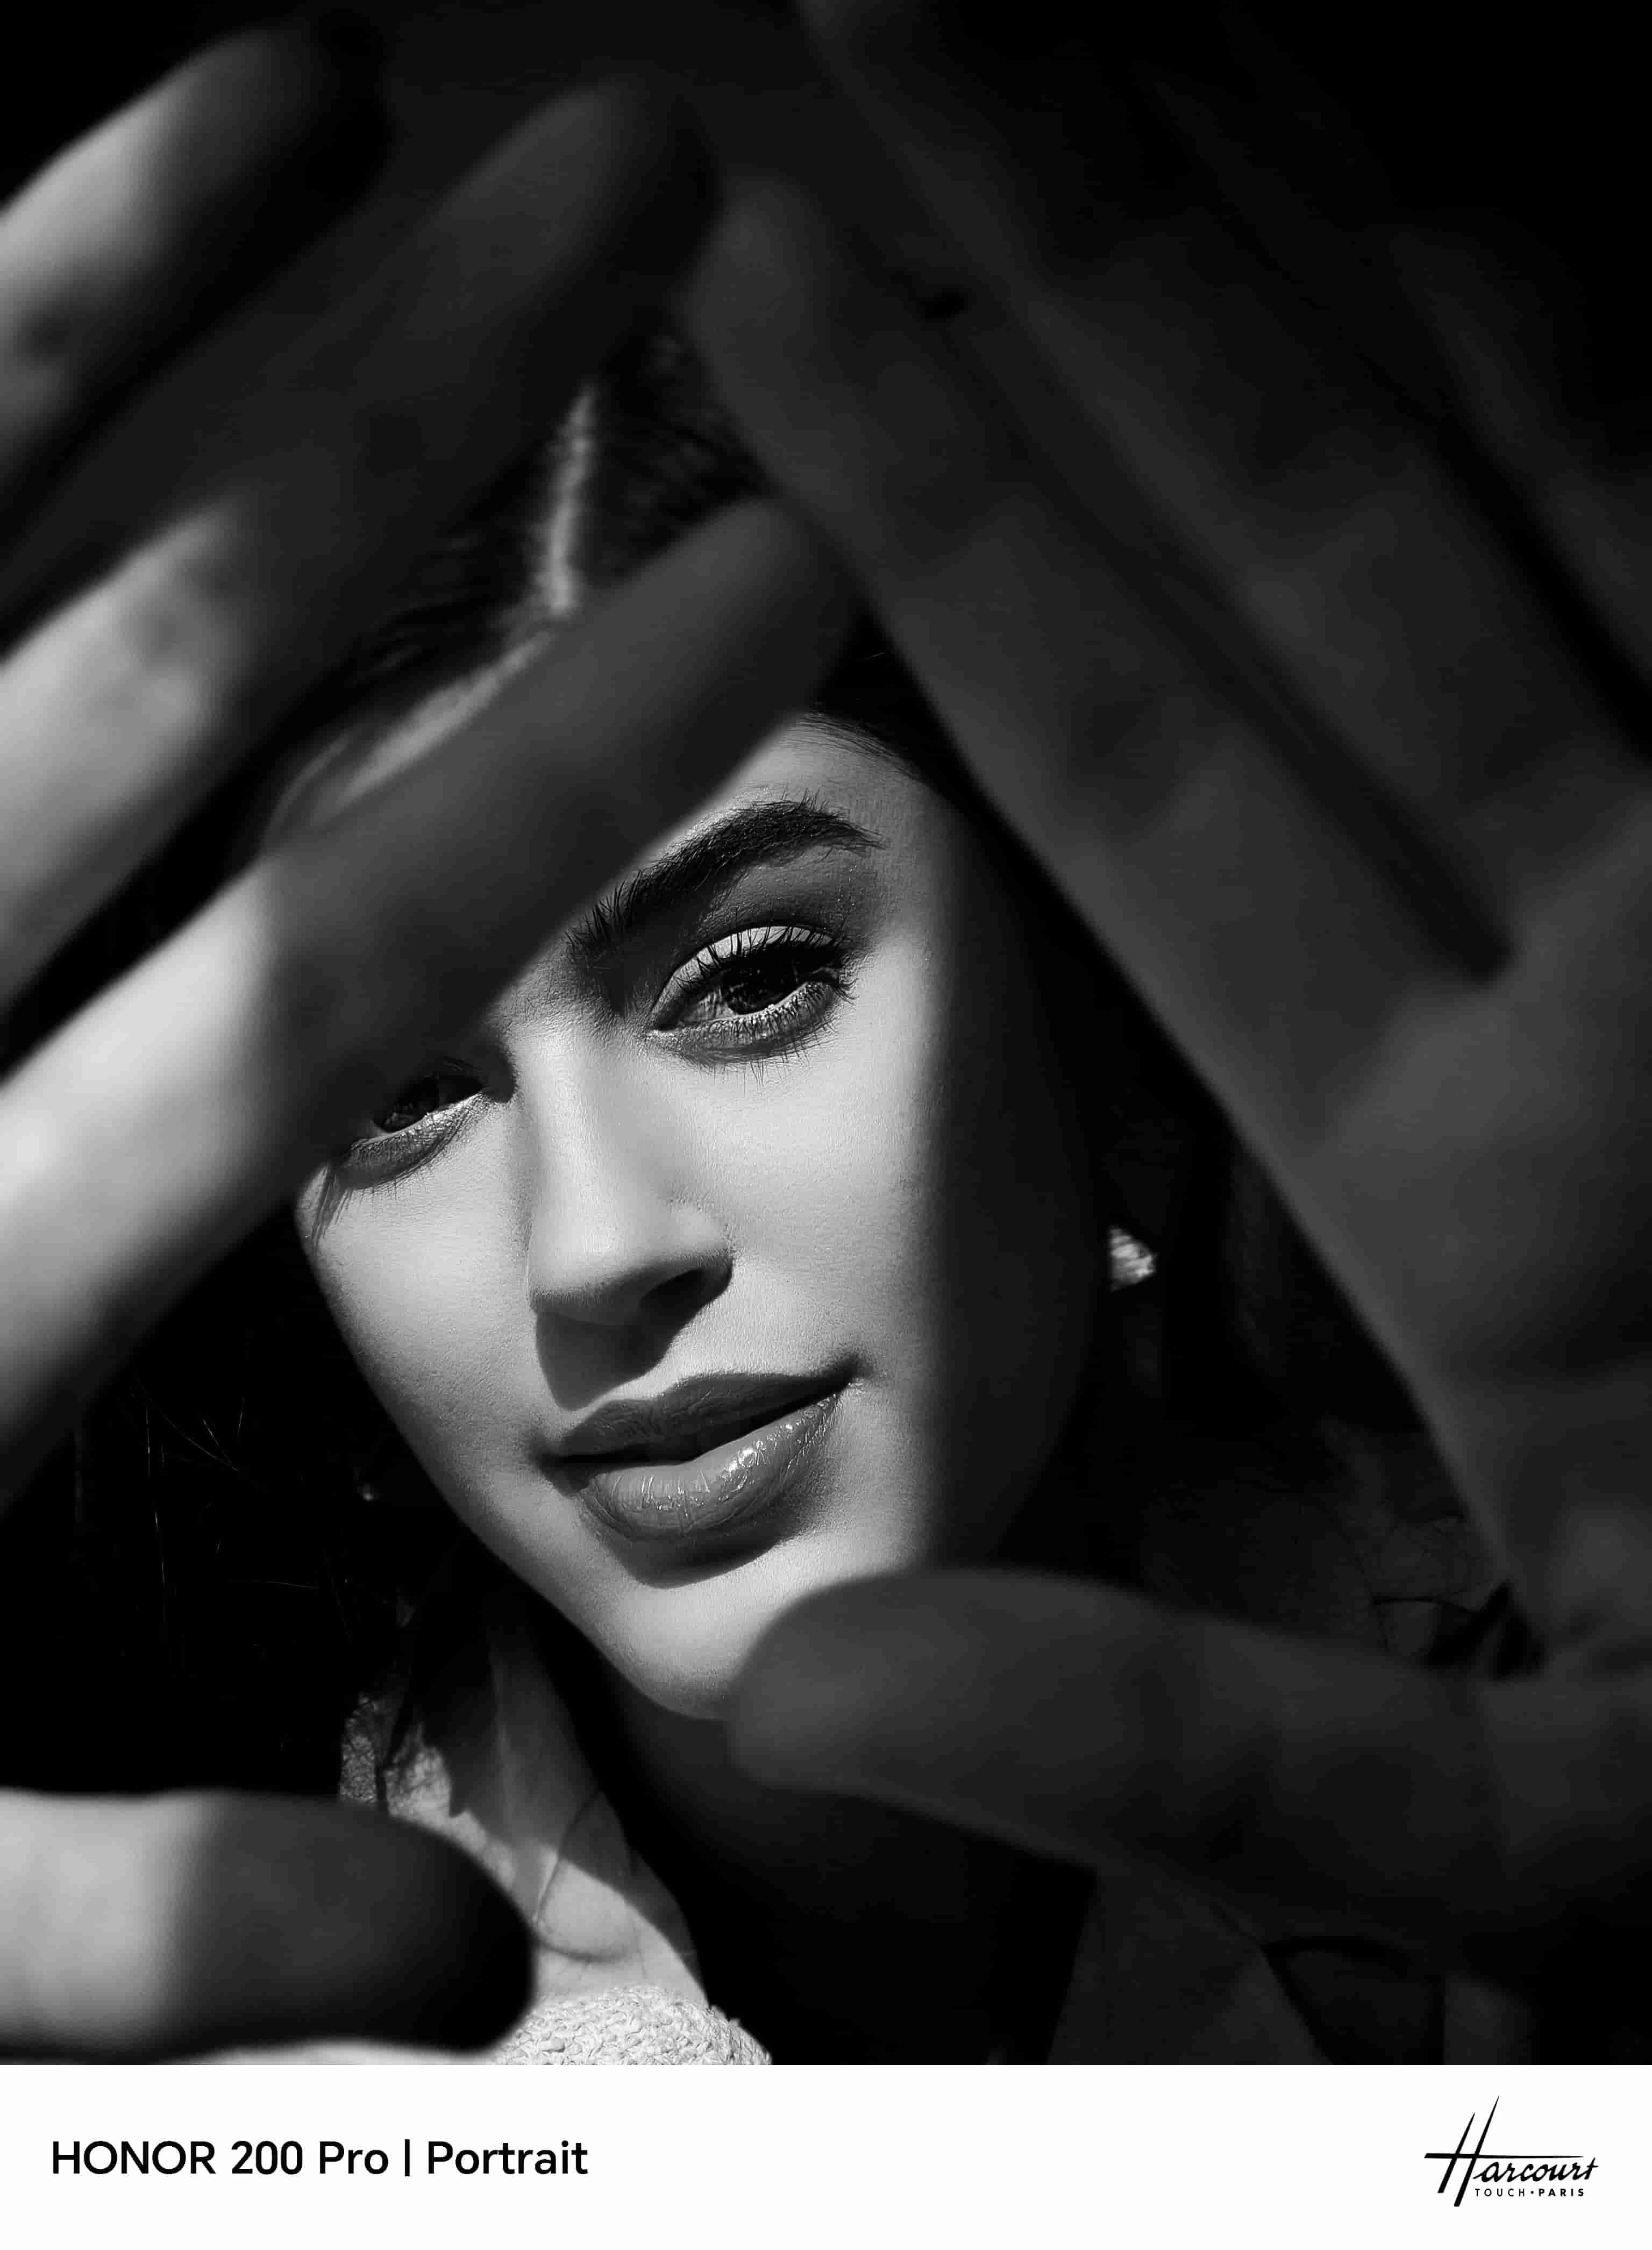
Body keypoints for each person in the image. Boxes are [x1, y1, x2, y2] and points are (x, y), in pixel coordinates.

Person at [6, 0, 1652, 2061]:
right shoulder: (150, 2075)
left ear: (1095, 1016)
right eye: (396, 1096)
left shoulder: (1559, 1756)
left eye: (755, 980)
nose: (597, 1247)